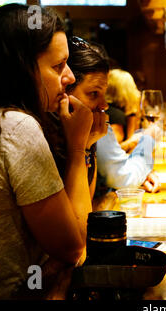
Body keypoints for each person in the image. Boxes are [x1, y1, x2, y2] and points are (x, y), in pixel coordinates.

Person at [0, 4, 94, 299]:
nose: (70, 77)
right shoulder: (13, 126)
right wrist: (78, 148)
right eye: (58, 66)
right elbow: (74, 246)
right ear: (20, 67)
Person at [64, 36, 160, 198]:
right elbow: (123, 177)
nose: (104, 105)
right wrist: (148, 140)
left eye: (104, 94)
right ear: (65, 90)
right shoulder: (38, 135)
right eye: (94, 93)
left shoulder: (94, 123)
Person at [106, 69, 141, 151]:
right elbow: (110, 151)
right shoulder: (116, 115)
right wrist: (133, 141)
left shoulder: (121, 112)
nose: (137, 92)